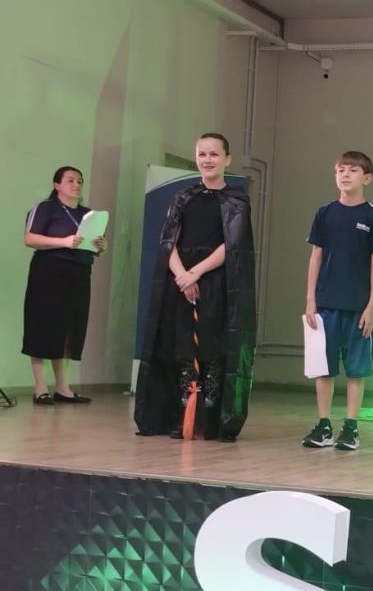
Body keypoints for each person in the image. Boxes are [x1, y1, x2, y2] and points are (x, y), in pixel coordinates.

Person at [134, 133, 256, 441]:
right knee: (183, 350)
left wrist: (196, 273)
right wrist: (182, 276)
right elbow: (168, 241)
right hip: (180, 280)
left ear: (227, 159)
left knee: (212, 349)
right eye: (202, 154)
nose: (207, 160)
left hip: (215, 281)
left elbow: (233, 245)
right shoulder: (183, 197)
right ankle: (183, 416)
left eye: (214, 154)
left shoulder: (237, 200)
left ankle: (209, 419)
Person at [302, 151, 373, 450]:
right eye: (341, 170)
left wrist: (371, 307)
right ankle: (324, 425)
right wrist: (310, 300)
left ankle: (350, 427)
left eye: (352, 170)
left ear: (367, 178)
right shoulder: (324, 213)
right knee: (323, 367)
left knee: (356, 369)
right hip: (325, 305)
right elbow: (316, 257)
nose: (345, 175)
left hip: (358, 307)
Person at [22, 166, 108, 405]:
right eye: (70, 180)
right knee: (42, 325)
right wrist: (64, 241)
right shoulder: (45, 208)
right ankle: (40, 388)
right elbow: (30, 238)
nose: (76, 184)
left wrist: (101, 247)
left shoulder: (88, 213)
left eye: (79, 181)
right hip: (49, 271)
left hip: (80, 273)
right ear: (56, 185)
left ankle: (63, 388)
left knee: (70, 327)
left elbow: (94, 248)